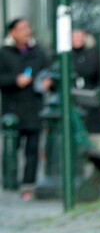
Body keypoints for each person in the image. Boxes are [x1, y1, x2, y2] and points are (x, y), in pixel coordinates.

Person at [0, 18, 52, 196]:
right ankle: (10, 182)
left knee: (33, 149)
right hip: (12, 109)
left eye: (28, 27)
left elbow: (49, 71)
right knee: (11, 147)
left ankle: (28, 185)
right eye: (22, 28)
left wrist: (47, 81)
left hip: (34, 107)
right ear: (12, 32)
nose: (27, 31)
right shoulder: (4, 53)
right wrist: (15, 80)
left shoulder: (38, 52)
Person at [71, 29, 100, 132]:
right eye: (74, 36)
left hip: (89, 95)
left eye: (79, 36)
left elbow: (94, 71)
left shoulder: (91, 54)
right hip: (74, 97)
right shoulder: (68, 56)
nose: (77, 39)